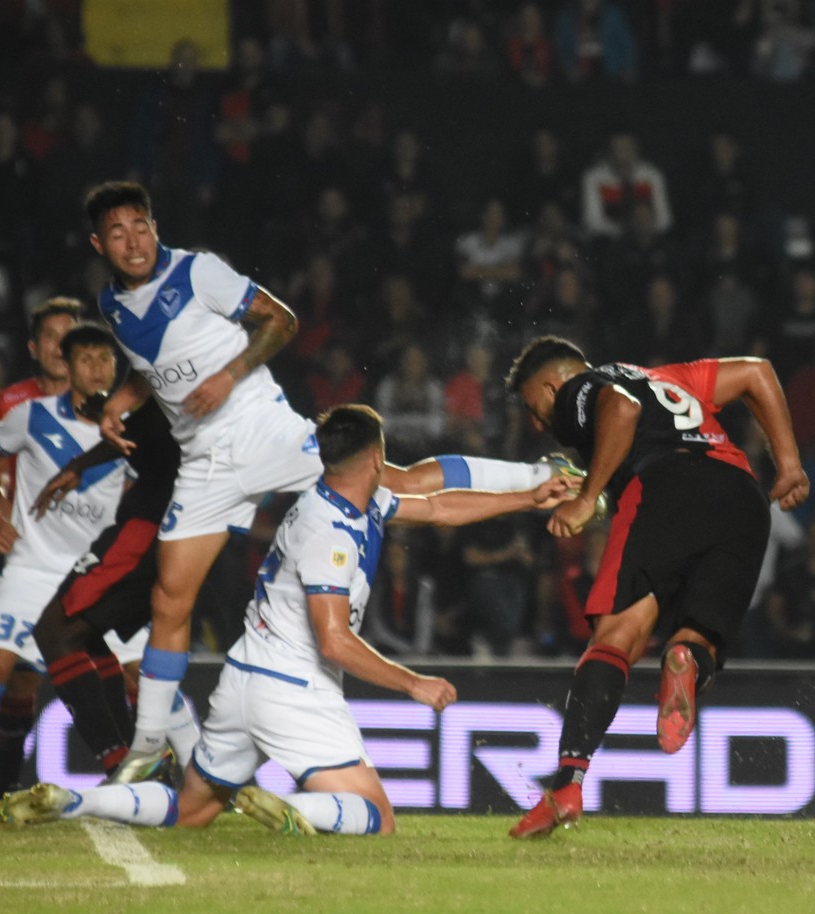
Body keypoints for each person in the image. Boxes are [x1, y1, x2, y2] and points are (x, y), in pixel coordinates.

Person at [84, 182, 570, 783]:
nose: (133, 241)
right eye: (118, 232)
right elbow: (151, 366)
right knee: (169, 599)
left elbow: (280, 321)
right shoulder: (111, 304)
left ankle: (541, 473)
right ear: (99, 243)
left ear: (155, 226)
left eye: (141, 225)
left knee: (400, 479)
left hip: (265, 430)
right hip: (205, 461)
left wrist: (228, 375)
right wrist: (121, 402)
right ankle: (149, 745)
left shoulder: (197, 273)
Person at [0, 405, 575, 836]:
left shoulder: (350, 497)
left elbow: (440, 507)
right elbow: (333, 640)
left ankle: (77, 802)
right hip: (294, 690)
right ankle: (293, 811)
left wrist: (528, 499)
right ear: (377, 458)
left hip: (242, 679)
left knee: (191, 810)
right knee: (377, 816)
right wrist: (412, 682)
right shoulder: (330, 535)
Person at [504, 336, 809, 839]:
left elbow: (620, 409)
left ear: (549, 384)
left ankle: (566, 786)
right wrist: (791, 464)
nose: (537, 423)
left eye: (532, 407)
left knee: (614, 638)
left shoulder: (579, 390)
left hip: (667, 489)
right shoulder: (670, 377)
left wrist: (588, 497)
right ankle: (686, 658)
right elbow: (758, 372)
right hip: (743, 500)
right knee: (697, 636)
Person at [0, 326, 130, 807]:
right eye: (86, 358)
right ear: (67, 367)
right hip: (32, 567)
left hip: (94, 577)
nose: (96, 367)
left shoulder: (131, 427)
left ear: (116, 366)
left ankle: (153, 777)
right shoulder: (29, 416)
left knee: (137, 676)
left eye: (104, 358)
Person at [28, 325, 188, 779]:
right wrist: (79, 466)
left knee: (55, 630)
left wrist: (104, 413)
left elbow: (144, 432)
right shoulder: (177, 380)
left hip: (148, 530)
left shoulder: (174, 383)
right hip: (160, 529)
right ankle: (139, 765)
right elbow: (137, 433)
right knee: (82, 636)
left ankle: (124, 763)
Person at [0, 296, 82, 805]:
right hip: (29, 556)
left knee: (125, 670)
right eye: (50, 337)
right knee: (14, 677)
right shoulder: (14, 403)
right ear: (34, 347)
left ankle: (157, 776)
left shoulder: (104, 406)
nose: (59, 346)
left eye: (67, 336)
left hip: (84, 565)